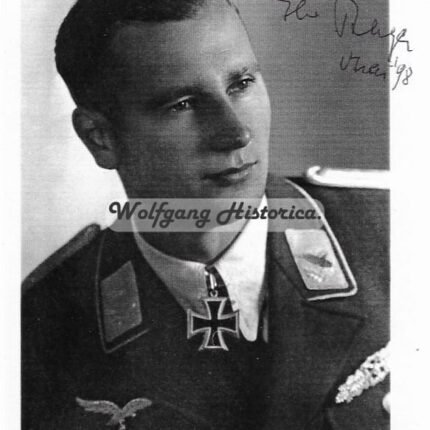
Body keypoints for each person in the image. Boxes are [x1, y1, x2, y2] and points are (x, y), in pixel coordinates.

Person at [22, 1, 389, 429]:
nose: (236, 132)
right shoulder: (39, 327)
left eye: (242, 83)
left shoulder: (395, 233)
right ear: (99, 138)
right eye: (182, 104)